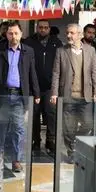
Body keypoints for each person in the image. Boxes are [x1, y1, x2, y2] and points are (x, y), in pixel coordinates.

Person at [0, 21, 40, 172]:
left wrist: (36, 93)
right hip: (2, 95)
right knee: (0, 128)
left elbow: (32, 72)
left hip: (19, 96)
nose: (13, 36)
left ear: (21, 34)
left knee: (18, 129)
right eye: (10, 33)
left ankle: (16, 159)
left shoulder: (28, 51)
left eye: (16, 33)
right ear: (6, 34)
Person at [51, 24, 96, 160]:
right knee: (68, 127)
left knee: (88, 124)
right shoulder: (61, 51)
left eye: (72, 33)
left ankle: (76, 141)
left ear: (80, 35)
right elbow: (56, 73)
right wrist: (54, 93)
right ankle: (72, 151)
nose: (68, 35)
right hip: (68, 95)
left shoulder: (91, 50)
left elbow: (95, 72)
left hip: (85, 96)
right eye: (67, 33)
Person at [24, 19, 62, 153]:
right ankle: (36, 140)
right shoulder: (29, 42)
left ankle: (50, 140)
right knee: (34, 114)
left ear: (49, 29)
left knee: (51, 114)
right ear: (36, 28)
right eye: (40, 27)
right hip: (33, 85)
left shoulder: (56, 43)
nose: (43, 30)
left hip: (50, 86)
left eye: (46, 27)